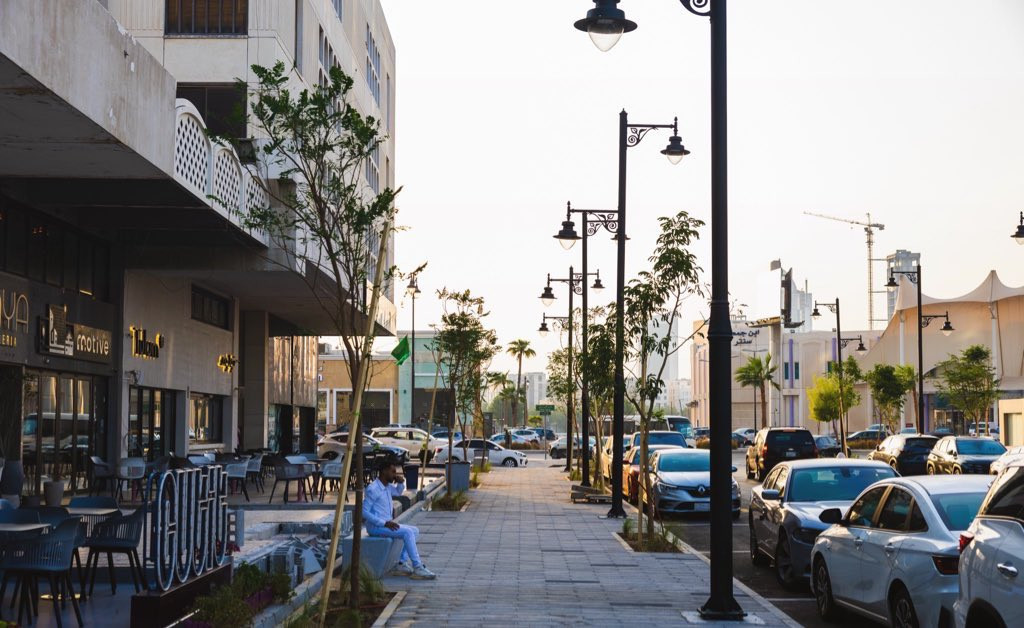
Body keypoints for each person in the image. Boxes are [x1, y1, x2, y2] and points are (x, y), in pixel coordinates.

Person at [362, 456, 436, 580]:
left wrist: (401, 483)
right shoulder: (373, 489)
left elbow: (397, 493)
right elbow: (364, 512)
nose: (394, 475)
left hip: (385, 525)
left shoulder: (386, 486)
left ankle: (401, 563)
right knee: (407, 532)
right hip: (376, 527)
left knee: (414, 530)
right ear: (384, 471)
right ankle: (418, 567)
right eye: (393, 472)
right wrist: (384, 523)